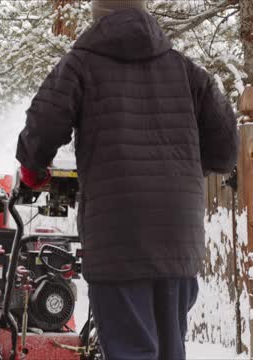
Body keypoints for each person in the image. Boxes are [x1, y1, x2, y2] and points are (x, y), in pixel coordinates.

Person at [15, 1, 239, 359]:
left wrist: (32, 169)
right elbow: (227, 148)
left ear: (97, 15)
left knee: (131, 350)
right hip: (177, 234)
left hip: (120, 236)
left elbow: (43, 125)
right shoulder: (184, 69)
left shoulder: (80, 63)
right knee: (170, 349)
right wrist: (182, 175)